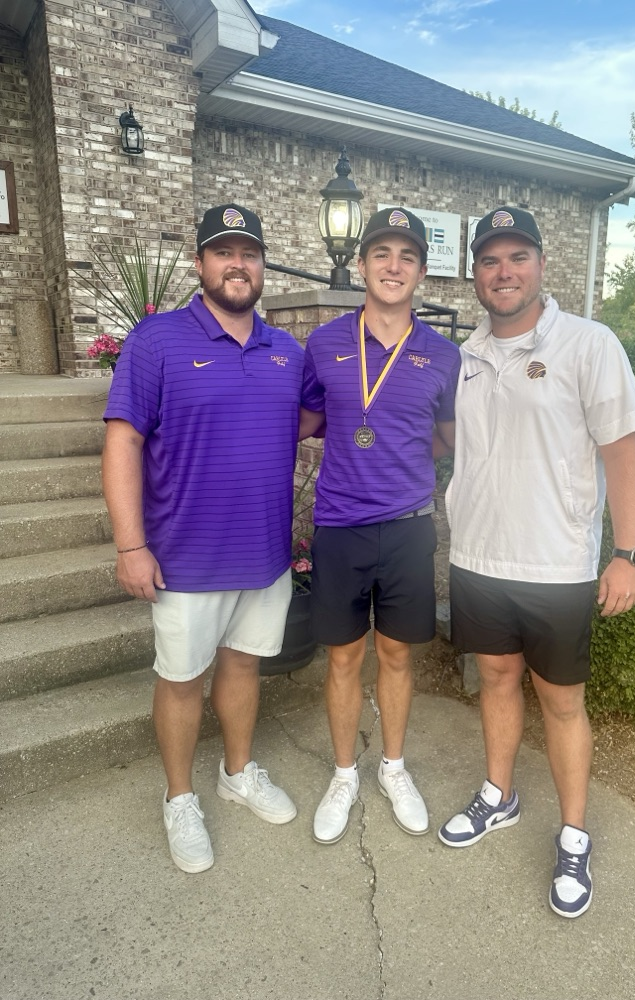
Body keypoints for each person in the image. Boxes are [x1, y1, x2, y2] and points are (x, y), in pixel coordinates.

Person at [438, 206, 635, 918]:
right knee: (495, 679)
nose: (504, 272)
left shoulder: (589, 344)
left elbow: (623, 453)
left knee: (561, 703)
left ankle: (573, 834)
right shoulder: (464, 356)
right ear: (475, 274)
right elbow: (451, 443)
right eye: (490, 260)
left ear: (540, 265)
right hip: (477, 557)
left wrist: (626, 555)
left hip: (557, 565)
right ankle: (499, 794)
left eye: (517, 257)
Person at [102, 204, 304, 874]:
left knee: (243, 666)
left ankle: (236, 773)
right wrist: (131, 545)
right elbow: (123, 440)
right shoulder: (156, 342)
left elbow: (311, 421)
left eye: (248, 253)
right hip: (185, 558)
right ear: (201, 263)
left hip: (266, 555)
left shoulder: (287, 353)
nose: (237, 264)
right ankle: (180, 797)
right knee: (182, 679)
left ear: (261, 266)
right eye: (223, 252)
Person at [299, 207, 461, 845]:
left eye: (408, 257)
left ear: (420, 272)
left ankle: (392, 767)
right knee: (343, 659)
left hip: (408, 528)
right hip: (339, 525)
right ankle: (344, 773)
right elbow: (308, 420)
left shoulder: (442, 354)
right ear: (362, 264)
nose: (394, 267)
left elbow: (445, 439)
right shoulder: (325, 342)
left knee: (396, 654)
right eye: (382, 254)